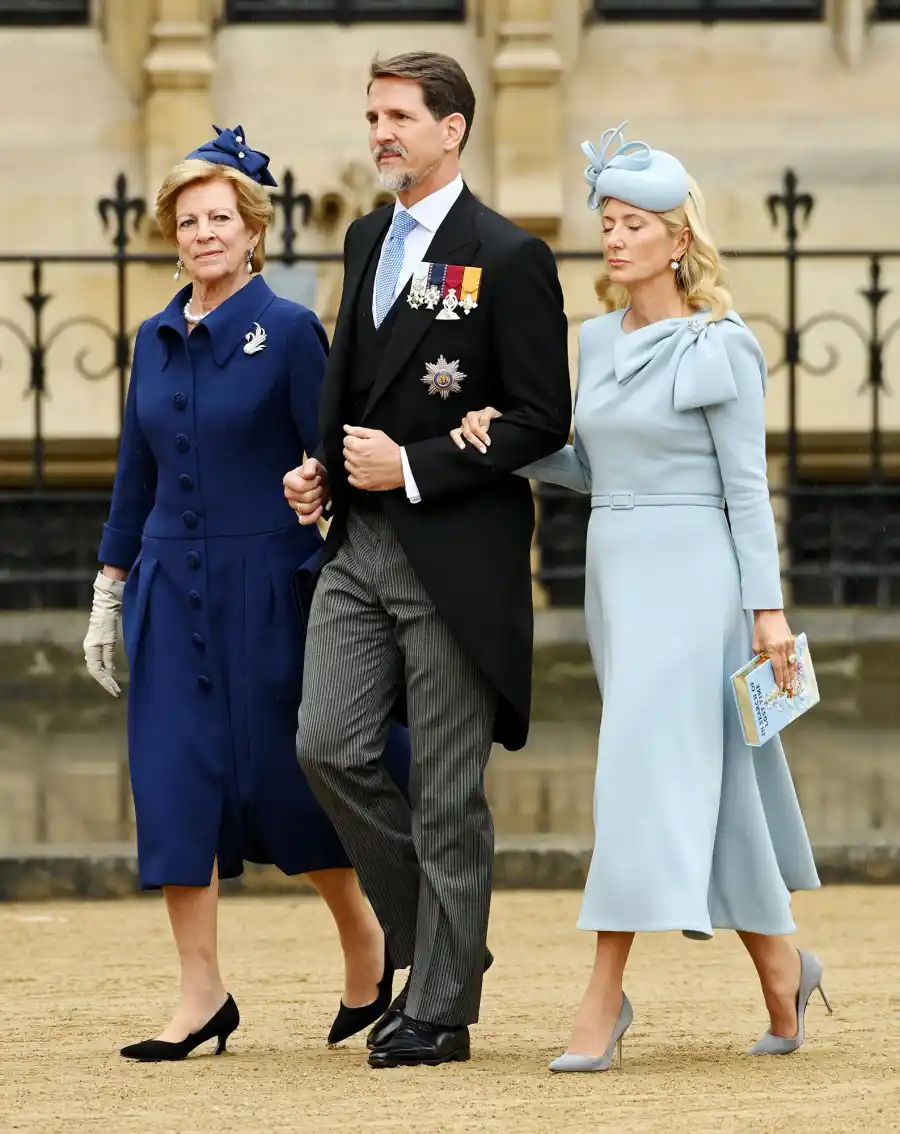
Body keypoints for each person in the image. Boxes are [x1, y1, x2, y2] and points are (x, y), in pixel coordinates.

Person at [451, 123, 827, 1072]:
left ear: (678, 239)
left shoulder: (724, 346)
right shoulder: (596, 340)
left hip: (698, 575)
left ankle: (602, 1001)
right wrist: (514, 441)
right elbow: (593, 464)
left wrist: (768, 612)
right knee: (714, 777)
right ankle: (784, 966)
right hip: (616, 571)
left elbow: (746, 487)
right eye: (607, 222)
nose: (613, 239)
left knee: (632, 775)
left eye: (632, 224)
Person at [83, 124, 410, 1062]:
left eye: (219, 217)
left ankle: (365, 937)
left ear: (253, 229)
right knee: (174, 781)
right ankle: (201, 994)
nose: (203, 234)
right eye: (188, 221)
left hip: (269, 589)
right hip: (169, 590)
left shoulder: (293, 332)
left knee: (286, 781)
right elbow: (131, 477)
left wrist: (324, 497)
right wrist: (109, 589)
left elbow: (337, 457)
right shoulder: (152, 337)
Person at [283, 52, 571, 1069]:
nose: (380, 133)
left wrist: (417, 462)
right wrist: (322, 470)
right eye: (372, 115)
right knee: (327, 743)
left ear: (453, 129)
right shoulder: (368, 237)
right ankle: (448, 943)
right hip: (357, 547)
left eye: (399, 115)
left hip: (454, 554)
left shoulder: (510, 253)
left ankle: (439, 1010)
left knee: (448, 791)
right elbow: (357, 384)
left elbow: (542, 418)